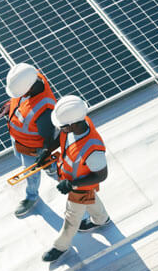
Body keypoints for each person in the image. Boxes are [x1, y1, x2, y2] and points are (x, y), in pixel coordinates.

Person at [42, 95, 111, 262]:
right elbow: (62, 139)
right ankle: (102, 219)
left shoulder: (92, 149)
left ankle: (60, 246)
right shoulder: (76, 124)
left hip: (79, 186)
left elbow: (101, 175)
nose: (61, 129)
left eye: (63, 126)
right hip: (74, 181)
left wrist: (72, 184)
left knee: (71, 219)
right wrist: (47, 151)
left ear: (72, 124)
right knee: (91, 199)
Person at [0, 63, 57, 218]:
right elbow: (19, 101)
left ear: (29, 88)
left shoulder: (44, 110)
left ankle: (32, 197)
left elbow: (49, 139)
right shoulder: (28, 78)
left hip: (31, 149)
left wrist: (43, 155)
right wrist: (8, 106)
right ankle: (50, 166)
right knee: (19, 156)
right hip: (18, 140)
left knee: (31, 174)